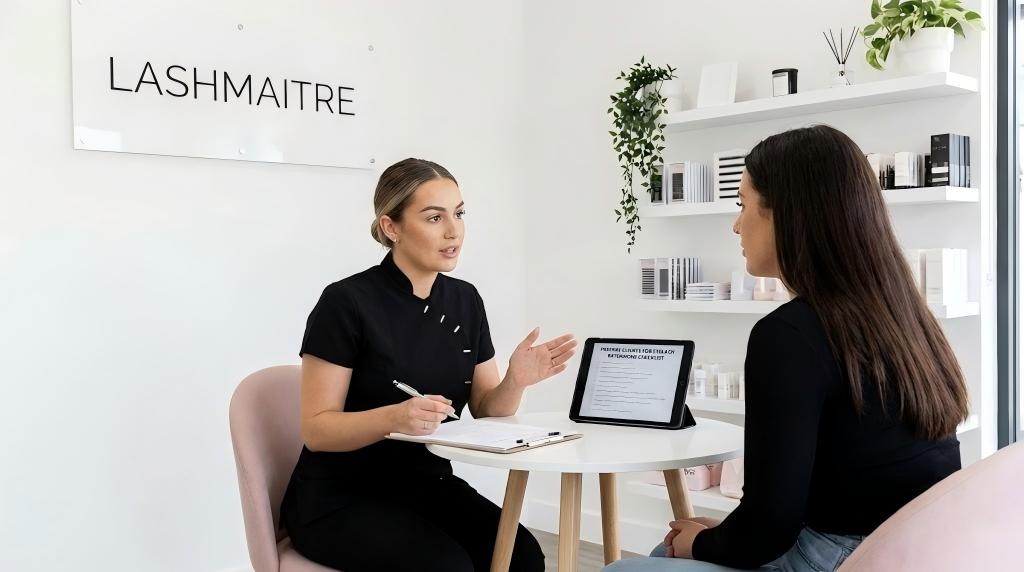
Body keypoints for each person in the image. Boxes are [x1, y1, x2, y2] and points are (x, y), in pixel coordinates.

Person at [605, 125, 968, 572]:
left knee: (640, 562)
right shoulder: (904, 315)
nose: (736, 225)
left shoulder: (787, 335)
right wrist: (720, 537)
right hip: (914, 548)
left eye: (742, 204)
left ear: (788, 214)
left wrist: (705, 544)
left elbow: (768, 529)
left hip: (839, 556)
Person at [280, 158, 577, 571]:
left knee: (522, 557)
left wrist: (516, 381)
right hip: (340, 497)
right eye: (435, 218)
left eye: (459, 214)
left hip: (427, 485)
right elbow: (317, 431)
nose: (453, 231)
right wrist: (394, 417)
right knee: (447, 566)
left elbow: (487, 409)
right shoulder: (346, 302)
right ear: (392, 227)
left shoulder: (465, 300)